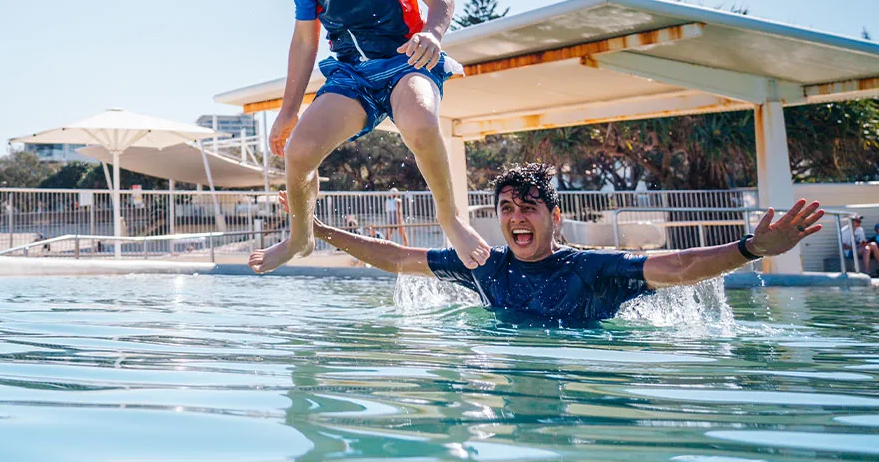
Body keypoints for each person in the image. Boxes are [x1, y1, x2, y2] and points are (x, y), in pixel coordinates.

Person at [252, 0, 488, 275]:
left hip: (404, 61)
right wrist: (288, 111)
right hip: (350, 77)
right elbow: (305, 42)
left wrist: (432, 34)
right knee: (300, 151)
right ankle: (301, 237)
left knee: (419, 121)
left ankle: (450, 219)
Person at [311, 163, 825, 326]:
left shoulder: (593, 269)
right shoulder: (483, 267)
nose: (516, 218)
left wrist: (752, 249)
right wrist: (317, 230)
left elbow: (680, 265)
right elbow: (399, 259)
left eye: (528, 207)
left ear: (554, 218)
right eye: (506, 209)